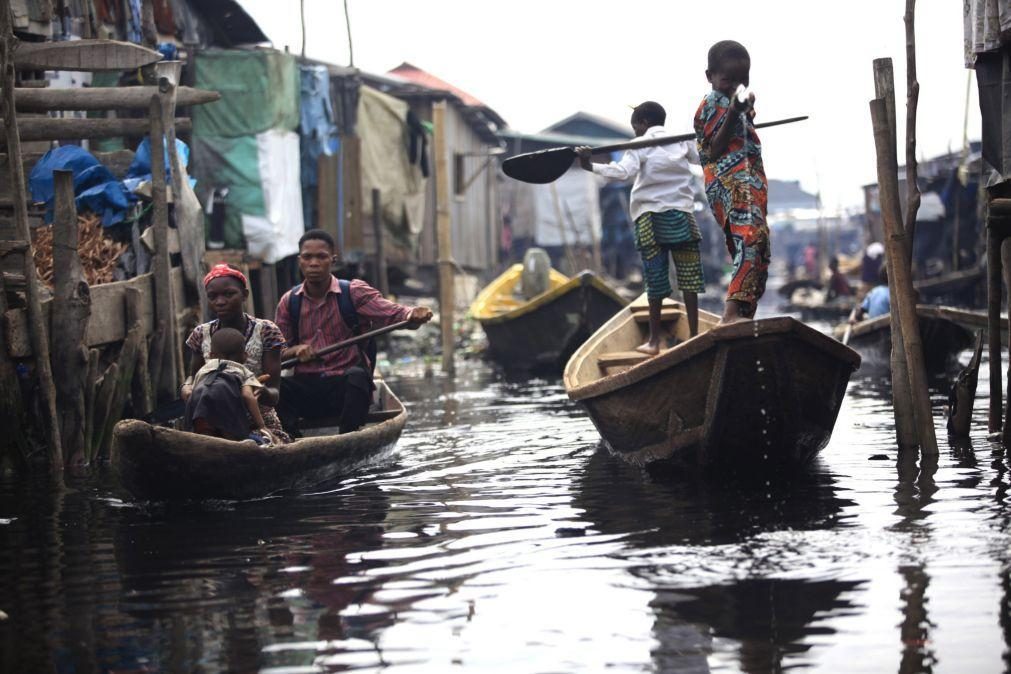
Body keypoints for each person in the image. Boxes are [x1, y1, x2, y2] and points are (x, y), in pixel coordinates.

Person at [574, 101, 705, 355]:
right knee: (690, 277)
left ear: (643, 123)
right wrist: (709, 137)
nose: (635, 132)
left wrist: (589, 165)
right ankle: (695, 335)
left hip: (651, 219)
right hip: (682, 217)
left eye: (635, 127)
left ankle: (654, 341)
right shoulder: (682, 140)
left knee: (655, 279)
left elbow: (622, 172)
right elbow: (704, 159)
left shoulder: (639, 144)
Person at [275, 229, 433, 435]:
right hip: (308, 388)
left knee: (357, 377)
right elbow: (277, 351)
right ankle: (291, 440)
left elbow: (394, 313)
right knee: (277, 389)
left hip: (345, 389)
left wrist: (413, 313)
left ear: (333, 260)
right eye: (307, 257)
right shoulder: (290, 301)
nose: (314, 263)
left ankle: (347, 437)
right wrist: (296, 350)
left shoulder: (353, 292)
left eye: (321, 257)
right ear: (300, 260)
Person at [694, 40, 770, 324]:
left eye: (742, 79)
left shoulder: (731, 101)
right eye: (727, 79)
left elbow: (741, 123)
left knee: (758, 247)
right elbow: (714, 148)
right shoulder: (712, 103)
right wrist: (736, 111)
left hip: (749, 183)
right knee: (750, 238)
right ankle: (732, 314)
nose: (733, 84)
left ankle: (743, 315)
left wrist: (746, 107)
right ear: (710, 77)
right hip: (732, 184)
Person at [183, 263, 290, 443]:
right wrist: (186, 387)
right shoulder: (201, 334)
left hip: (257, 420)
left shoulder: (266, 331)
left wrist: (260, 391)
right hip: (213, 422)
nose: (220, 301)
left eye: (229, 294)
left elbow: (274, 395)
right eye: (213, 296)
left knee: (264, 443)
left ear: (245, 295)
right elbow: (193, 378)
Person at [184, 327, 270, 443]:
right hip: (225, 409)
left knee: (204, 438)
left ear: (211, 355)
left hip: (200, 407)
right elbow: (248, 396)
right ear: (245, 356)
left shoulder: (203, 370)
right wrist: (262, 426)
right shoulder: (244, 371)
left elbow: (190, 393)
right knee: (232, 441)